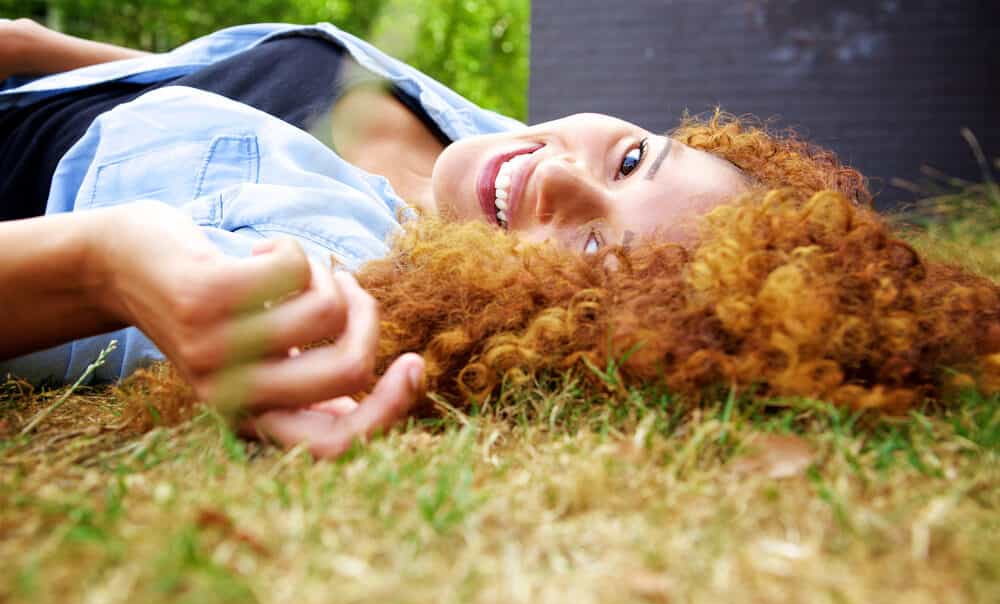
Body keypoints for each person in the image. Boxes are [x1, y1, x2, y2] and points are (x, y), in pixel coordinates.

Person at [2, 19, 996, 456]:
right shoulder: (475, 137)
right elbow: (228, 79)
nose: (559, 174)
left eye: (596, 254)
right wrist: (39, 49)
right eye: (632, 162)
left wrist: (105, 263)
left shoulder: (314, 276)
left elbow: (127, 274)